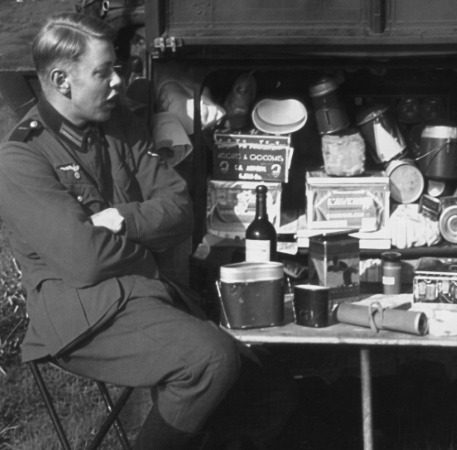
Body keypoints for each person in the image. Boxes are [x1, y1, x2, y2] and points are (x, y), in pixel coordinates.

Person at [0, 12, 294, 450]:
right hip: (85, 316)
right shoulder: (21, 158)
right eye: (103, 72)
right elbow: (85, 261)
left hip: (149, 295)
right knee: (208, 361)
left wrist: (122, 220)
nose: (118, 81)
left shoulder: (119, 124)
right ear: (62, 81)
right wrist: (143, 248)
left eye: (116, 68)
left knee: (269, 385)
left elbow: (179, 210)